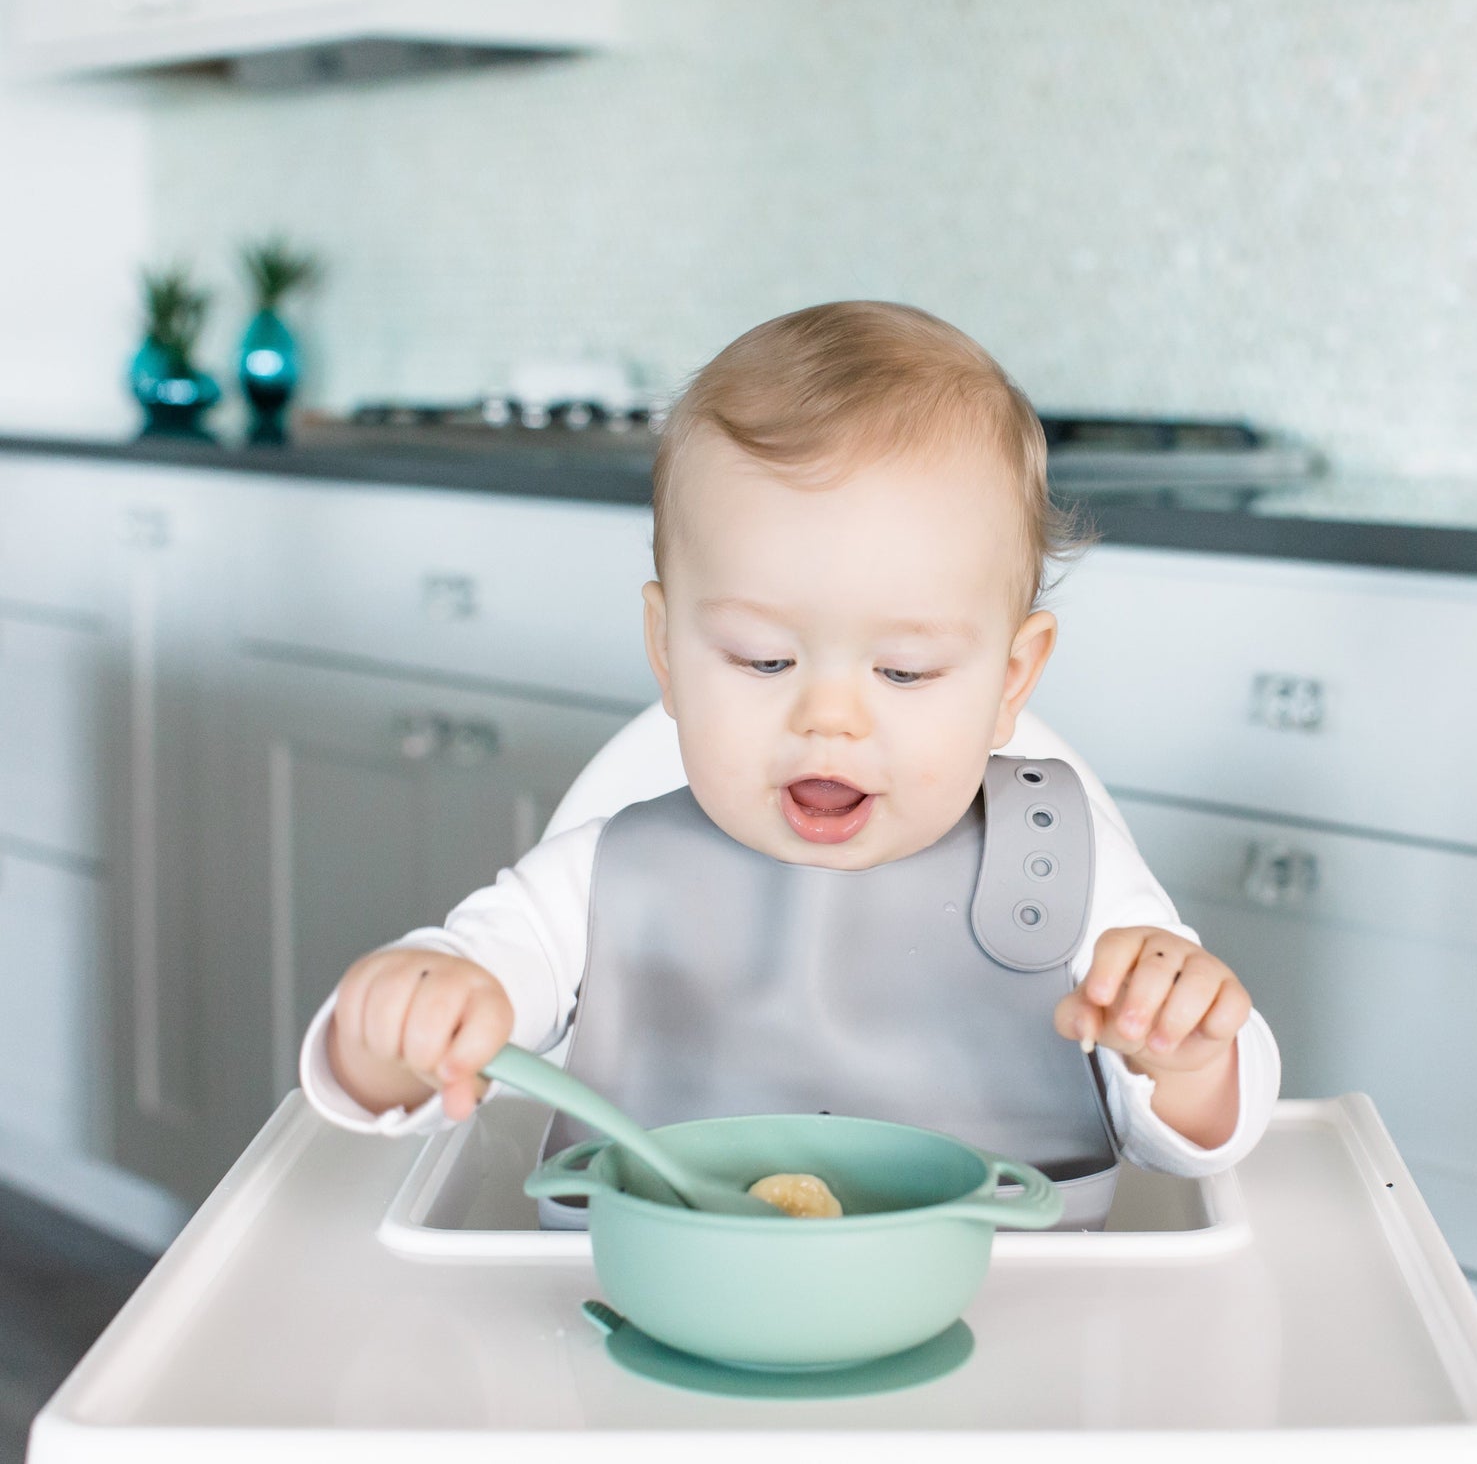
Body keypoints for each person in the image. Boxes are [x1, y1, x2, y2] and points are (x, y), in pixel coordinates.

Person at [300, 301, 1279, 1223]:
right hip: (662, 1330)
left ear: (1011, 679)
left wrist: (1184, 1056)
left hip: (1014, 1336)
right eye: (764, 660)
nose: (829, 718)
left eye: (905, 669)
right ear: (668, 651)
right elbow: (442, 1044)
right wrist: (398, 1029)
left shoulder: (1073, 868)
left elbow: (1200, 1143)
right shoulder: (604, 878)